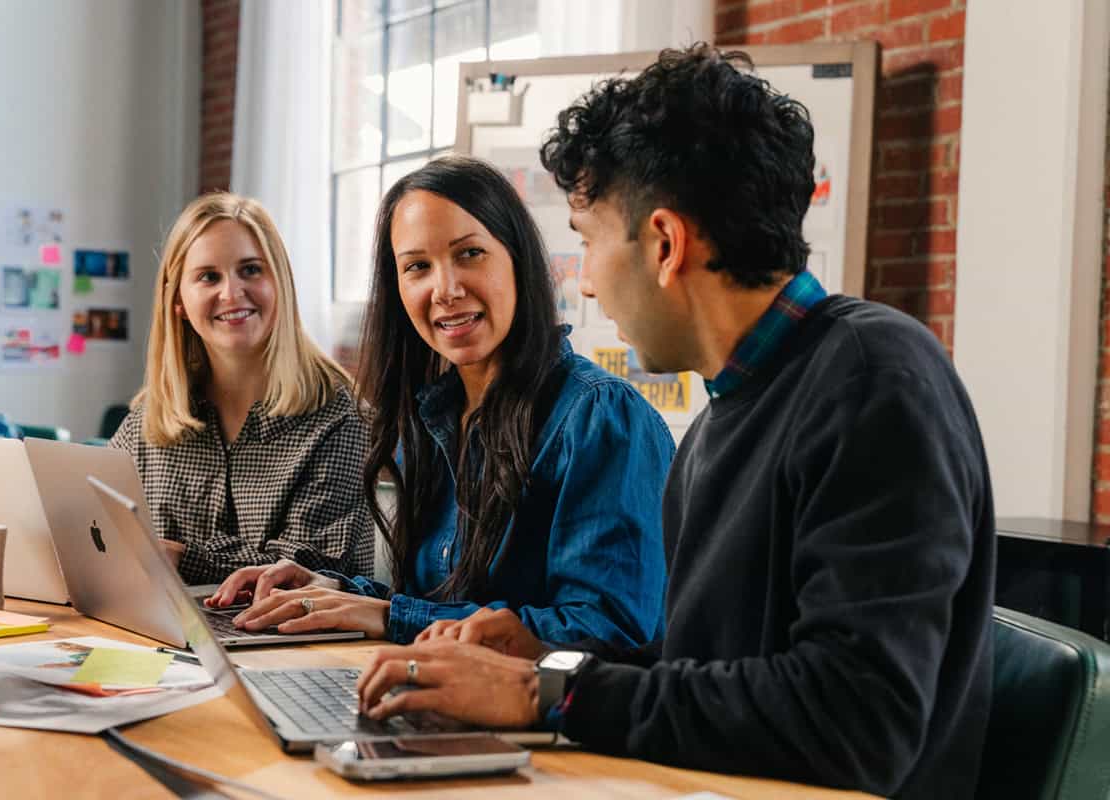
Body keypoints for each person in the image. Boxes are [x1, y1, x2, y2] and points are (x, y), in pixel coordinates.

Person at [351, 46, 995, 800]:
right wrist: (543, 661)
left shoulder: (873, 378)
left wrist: (547, 697)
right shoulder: (730, 412)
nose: (584, 281)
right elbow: (707, 678)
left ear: (664, 243)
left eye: (589, 242)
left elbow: (857, 723)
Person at [209, 156, 673, 648]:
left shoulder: (599, 416)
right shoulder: (433, 417)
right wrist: (334, 590)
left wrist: (390, 615)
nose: (446, 290)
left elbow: (608, 633)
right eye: (417, 267)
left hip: (548, 722)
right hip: (440, 697)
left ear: (517, 257)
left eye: (470, 254)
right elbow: (441, 599)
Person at [110, 192, 373, 584]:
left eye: (250, 270)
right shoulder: (147, 424)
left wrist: (180, 558)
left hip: (291, 642)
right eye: (208, 277)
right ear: (178, 300)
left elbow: (315, 568)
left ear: (279, 282)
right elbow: (96, 537)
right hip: (154, 635)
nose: (231, 293)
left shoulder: (339, 417)